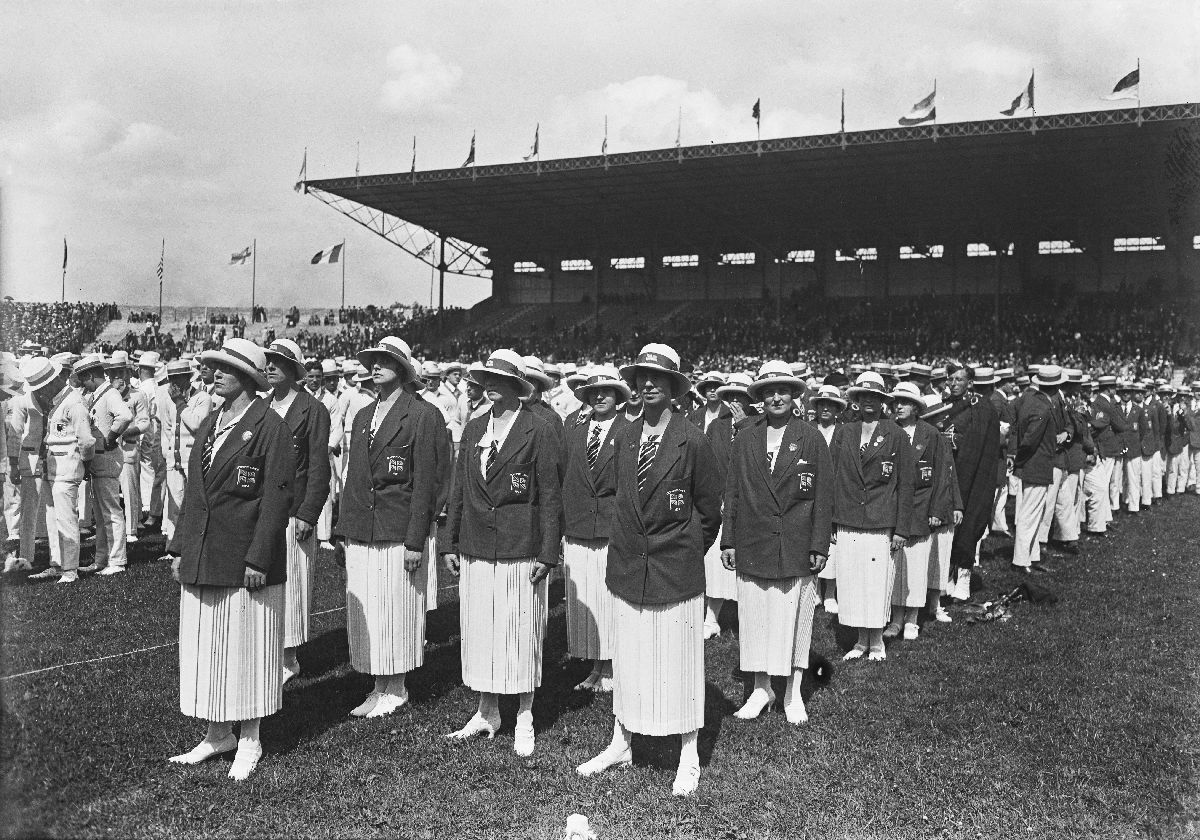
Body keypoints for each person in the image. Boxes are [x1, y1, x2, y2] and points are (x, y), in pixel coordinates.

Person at [576, 343, 723, 798]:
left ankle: (688, 754)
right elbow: (621, 500)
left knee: (678, 662)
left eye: (658, 378)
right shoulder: (624, 435)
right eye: (641, 376)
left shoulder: (692, 439)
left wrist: (678, 550)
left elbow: (708, 511)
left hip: (674, 570)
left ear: (675, 387)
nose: (648, 384)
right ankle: (622, 741)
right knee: (632, 661)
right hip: (627, 568)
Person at [164, 338, 295, 781]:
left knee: (246, 647)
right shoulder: (211, 422)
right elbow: (195, 497)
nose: (214, 373)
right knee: (206, 646)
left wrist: (259, 558)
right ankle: (217, 732)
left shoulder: (270, 426)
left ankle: (251, 737)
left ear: (249, 379)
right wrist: (180, 548)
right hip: (205, 553)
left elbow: (277, 498)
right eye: (213, 367)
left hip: (244, 560)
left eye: (224, 369)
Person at [442, 349, 562, 756]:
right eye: (486, 378)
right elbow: (458, 489)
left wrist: (547, 553)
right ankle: (486, 710)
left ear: (516, 388)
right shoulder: (475, 428)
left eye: (499, 380)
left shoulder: (538, 429)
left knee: (519, 630)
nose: (489, 385)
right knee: (481, 631)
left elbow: (550, 497)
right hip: (477, 545)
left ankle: (524, 715)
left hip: (520, 547)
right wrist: (450, 541)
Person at [720, 361, 831, 724]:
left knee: (795, 619)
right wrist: (728, 540)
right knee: (754, 619)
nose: (776, 397)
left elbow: (823, 497)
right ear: (760, 400)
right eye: (769, 392)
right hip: (753, 541)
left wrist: (818, 545)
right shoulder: (747, 438)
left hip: (795, 543)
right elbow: (733, 492)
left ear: (795, 395)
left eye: (783, 390)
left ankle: (793, 691)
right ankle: (761, 687)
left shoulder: (810, 437)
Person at [335, 336, 439, 717]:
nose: (375, 366)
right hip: (364, 528)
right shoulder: (363, 415)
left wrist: (416, 540)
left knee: (396, 606)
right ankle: (378, 685)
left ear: (404, 370)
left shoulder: (422, 415)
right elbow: (353, 477)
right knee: (369, 604)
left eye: (385, 361)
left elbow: (426, 483)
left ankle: (397, 687)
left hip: (398, 529)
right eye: (373, 360)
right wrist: (345, 532)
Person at [828, 371, 914, 661]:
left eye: (874, 397)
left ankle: (877, 640)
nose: (868, 402)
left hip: (881, 519)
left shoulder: (896, 435)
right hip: (849, 517)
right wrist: (830, 519)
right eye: (863, 396)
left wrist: (902, 529)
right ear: (855, 400)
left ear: (882, 402)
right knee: (852, 580)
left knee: (877, 581)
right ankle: (861, 640)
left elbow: (906, 484)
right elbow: (830, 476)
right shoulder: (844, 432)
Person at [263, 339, 332, 685]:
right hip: (261, 511)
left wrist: (308, 513)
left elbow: (319, 468)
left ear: (294, 370)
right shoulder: (261, 406)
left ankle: (289, 658)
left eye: (279, 362)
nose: (271, 366)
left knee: (293, 580)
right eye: (269, 361)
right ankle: (269, 647)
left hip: (293, 510)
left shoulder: (312, 409)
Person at [560, 365, 630, 692]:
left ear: (618, 396)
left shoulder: (629, 429)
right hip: (577, 526)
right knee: (586, 598)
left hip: (611, 527)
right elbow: (564, 475)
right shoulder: (573, 428)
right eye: (593, 392)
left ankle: (613, 667)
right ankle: (595, 666)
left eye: (606, 391)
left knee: (609, 597)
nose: (600, 396)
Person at [884, 383, 957, 639]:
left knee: (916, 566)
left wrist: (937, 508)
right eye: (896, 402)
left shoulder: (930, 434)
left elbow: (941, 474)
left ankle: (913, 618)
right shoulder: (888, 431)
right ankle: (895, 619)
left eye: (904, 402)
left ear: (916, 407)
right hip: (894, 508)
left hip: (922, 508)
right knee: (895, 566)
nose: (899, 407)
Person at [18, 357, 94, 584]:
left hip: (68, 468)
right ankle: (57, 563)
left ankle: (70, 570)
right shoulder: (57, 402)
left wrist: (85, 464)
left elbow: (86, 441)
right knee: (53, 519)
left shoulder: (73, 402)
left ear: (52, 383)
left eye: (42, 389)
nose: (40, 394)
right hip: (54, 468)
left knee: (67, 521)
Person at [940, 362, 999, 585]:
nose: (953, 384)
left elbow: (976, 446)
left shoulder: (979, 407)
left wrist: (954, 441)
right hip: (949, 473)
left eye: (959, 380)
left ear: (970, 383)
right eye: (950, 379)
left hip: (971, 476)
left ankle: (962, 581)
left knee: (967, 528)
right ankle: (945, 580)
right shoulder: (947, 405)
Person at [1012, 365, 1069, 572]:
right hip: (1037, 464)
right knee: (1030, 514)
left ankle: (1032, 556)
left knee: (1034, 513)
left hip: (1037, 463)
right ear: (1056, 386)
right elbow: (1029, 440)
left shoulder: (1032, 400)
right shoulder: (1043, 407)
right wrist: (1021, 460)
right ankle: (1021, 560)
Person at [158, 359, 213, 543]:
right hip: (174, 458)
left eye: (179, 378)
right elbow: (166, 427)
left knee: (196, 503)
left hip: (193, 459)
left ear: (188, 378)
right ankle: (174, 546)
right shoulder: (167, 398)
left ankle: (196, 543)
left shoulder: (202, 398)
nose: (175, 382)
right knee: (174, 504)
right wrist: (167, 452)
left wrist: (181, 403)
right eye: (172, 378)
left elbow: (198, 424)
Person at [810, 383, 846, 613]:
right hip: (809, 490)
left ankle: (830, 593)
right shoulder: (808, 429)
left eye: (830, 406)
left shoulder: (844, 432)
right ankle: (813, 590)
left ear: (837, 409)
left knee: (832, 539)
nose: (825, 409)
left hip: (834, 491)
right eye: (822, 404)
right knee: (809, 539)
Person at [1084, 375, 1127, 535]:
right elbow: (1120, 425)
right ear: (1109, 388)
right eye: (1114, 387)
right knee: (1104, 483)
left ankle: (1105, 518)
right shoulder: (1105, 403)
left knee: (1105, 483)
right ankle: (1103, 519)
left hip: (1106, 446)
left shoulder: (1100, 403)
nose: (1115, 390)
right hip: (1106, 447)